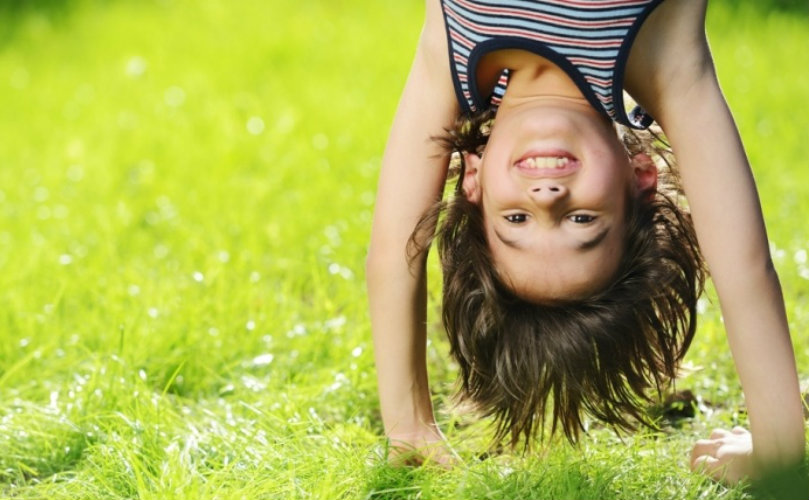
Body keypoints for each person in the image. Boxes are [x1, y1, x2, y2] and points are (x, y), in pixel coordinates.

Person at [366, 0, 806, 491]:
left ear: (474, 179)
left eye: (516, 219)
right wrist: (778, 451)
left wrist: (408, 430)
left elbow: (394, 253)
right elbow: (743, 267)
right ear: (641, 178)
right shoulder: (665, 63)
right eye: (581, 220)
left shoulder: (450, 58)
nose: (547, 199)